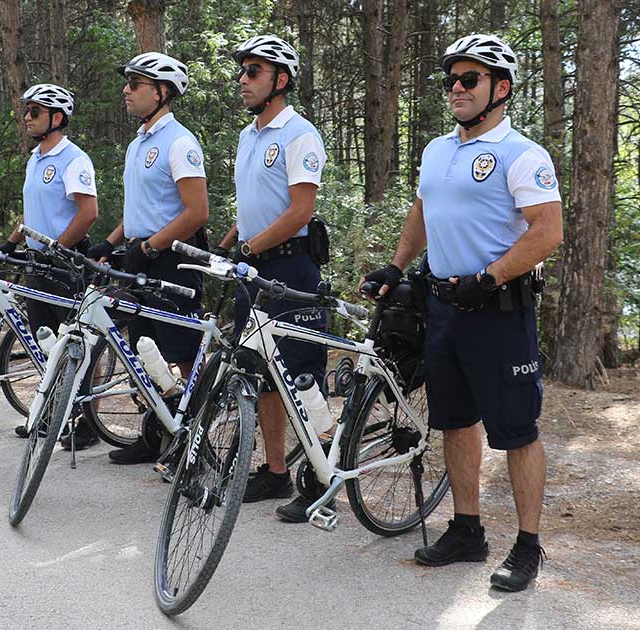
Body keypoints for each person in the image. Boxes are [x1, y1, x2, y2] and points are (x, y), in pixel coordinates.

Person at [361, 34, 563, 592]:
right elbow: (423, 210)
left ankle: (528, 547)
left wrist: (491, 277)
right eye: (451, 79)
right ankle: (467, 530)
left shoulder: (523, 154)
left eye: (469, 79)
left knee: (517, 431)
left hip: (499, 312)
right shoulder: (436, 150)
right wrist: (397, 267)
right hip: (443, 308)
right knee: (453, 421)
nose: (456, 87)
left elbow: (548, 231)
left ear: (501, 88)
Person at [214, 35, 330, 522]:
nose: (242, 80)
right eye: (241, 71)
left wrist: (248, 248)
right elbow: (255, 206)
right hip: (252, 265)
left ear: (280, 80)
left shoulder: (300, 134)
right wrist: (228, 240)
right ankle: (276, 469)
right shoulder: (249, 136)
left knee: (301, 376)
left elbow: (301, 209)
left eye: (253, 72)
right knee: (261, 371)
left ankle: (322, 479)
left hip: (290, 266)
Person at [86, 52, 210, 465]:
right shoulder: (138, 144)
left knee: (185, 351)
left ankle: (195, 443)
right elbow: (140, 208)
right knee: (142, 347)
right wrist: (111, 241)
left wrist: (150, 247)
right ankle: (156, 432)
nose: (126, 90)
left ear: (161, 93)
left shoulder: (180, 142)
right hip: (141, 254)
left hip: (171, 257)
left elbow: (196, 212)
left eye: (135, 84)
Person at [0, 83, 101, 449]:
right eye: (27, 111)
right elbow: (33, 212)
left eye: (34, 112)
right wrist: (12, 242)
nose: (26, 117)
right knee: (45, 340)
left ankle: (88, 421)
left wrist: (59, 248)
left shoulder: (74, 159)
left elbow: (89, 213)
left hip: (65, 262)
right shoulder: (36, 158)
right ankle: (54, 412)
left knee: (77, 341)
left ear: (57, 118)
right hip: (35, 261)